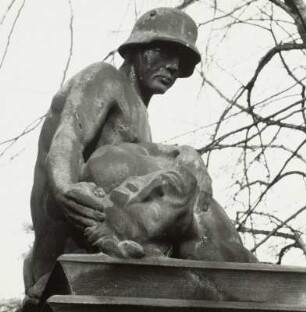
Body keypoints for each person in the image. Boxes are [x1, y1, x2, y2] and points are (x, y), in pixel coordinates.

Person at [22, 7, 256, 311]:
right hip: (69, 238)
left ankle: (240, 272)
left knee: (188, 201)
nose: (173, 67)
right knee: (182, 188)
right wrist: (65, 186)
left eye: (181, 61)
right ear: (137, 50)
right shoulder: (104, 77)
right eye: (164, 51)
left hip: (108, 233)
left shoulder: (140, 117)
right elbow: (68, 137)